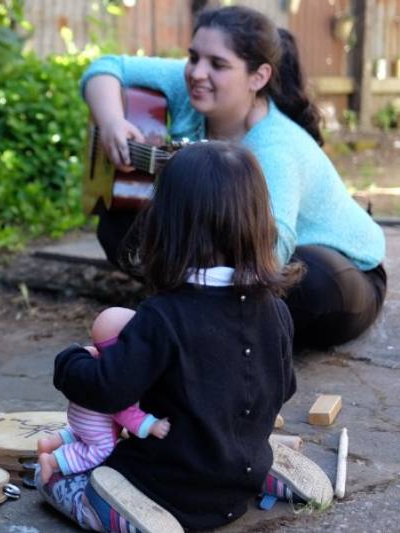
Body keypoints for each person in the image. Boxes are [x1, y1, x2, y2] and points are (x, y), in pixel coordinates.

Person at [37, 142, 334, 532]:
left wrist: (71, 361)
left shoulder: (163, 316)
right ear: (259, 221)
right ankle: (261, 467)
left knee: (58, 479)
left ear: (166, 225)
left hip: (167, 488)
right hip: (237, 481)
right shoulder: (275, 308)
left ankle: (115, 509)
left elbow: (107, 391)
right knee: (233, 436)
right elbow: (285, 387)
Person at [82, 5, 386, 351]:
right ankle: (213, 320)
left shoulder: (274, 148)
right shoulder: (190, 89)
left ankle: (202, 322)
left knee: (306, 282)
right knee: (120, 224)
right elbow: (106, 68)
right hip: (239, 254)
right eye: (193, 57)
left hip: (343, 274)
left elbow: (273, 251)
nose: (197, 72)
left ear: (258, 77)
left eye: (217, 64)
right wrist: (111, 123)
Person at [37, 306, 170, 484]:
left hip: (79, 417)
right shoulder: (120, 378)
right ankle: (53, 461)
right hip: (96, 424)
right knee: (101, 448)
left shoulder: (94, 360)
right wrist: (152, 425)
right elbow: (126, 413)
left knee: (80, 434)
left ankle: (50, 442)